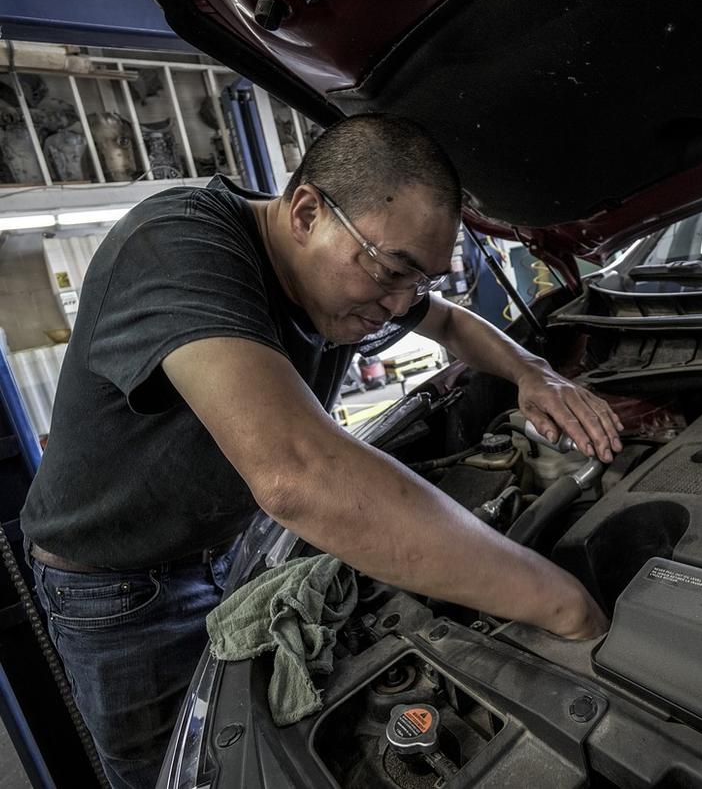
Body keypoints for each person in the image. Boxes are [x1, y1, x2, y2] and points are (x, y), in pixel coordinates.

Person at [20, 113, 619, 789]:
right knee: (180, 776)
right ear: (306, 212)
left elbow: (448, 320)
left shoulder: (341, 265)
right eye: (392, 272)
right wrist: (559, 603)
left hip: (234, 546)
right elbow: (296, 475)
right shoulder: (177, 248)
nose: (398, 307)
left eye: (418, 281)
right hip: (123, 591)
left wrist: (530, 372)